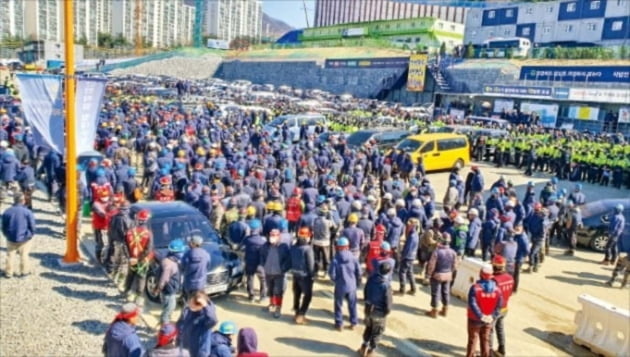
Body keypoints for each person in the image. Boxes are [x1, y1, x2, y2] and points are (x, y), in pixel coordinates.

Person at [466, 265, 503, 357]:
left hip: (474, 319)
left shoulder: (475, 288)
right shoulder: (497, 290)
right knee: (485, 340)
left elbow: (472, 303)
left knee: (472, 340)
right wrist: (492, 316)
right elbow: (499, 306)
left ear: (481, 275)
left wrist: (480, 316)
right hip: (489, 320)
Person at [359, 262, 393, 357]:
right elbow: (388, 302)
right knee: (377, 332)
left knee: (368, 328)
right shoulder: (386, 285)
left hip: (368, 308)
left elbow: (365, 291)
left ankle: (363, 347)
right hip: (379, 312)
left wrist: (367, 302)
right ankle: (370, 351)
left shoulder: (371, 278)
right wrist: (386, 312)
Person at [329, 237, 362, 331]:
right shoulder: (353, 258)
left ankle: (339, 324)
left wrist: (336, 281)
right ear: (347, 247)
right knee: (352, 305)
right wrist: (357, 283)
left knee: (338, 305)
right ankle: (353, 323)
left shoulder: (335, 259)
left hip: (340, 286)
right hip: (351, 286)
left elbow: (332, 274)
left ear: (338, 247)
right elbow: (359, 272)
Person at [2, 193, 36, 278]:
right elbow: (32, 225)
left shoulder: (7, 211)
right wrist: (31, 234)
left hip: (11, 237)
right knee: (24, 255)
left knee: (10, 255)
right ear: (23, 201)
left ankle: (8, 272)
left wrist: (6, 234)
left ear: (14, 200)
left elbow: (3, 226)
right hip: (24, 238)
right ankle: (24, 272)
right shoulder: (27, 212)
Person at [124, 209, 154, 305]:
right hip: (142, 260)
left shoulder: (129, 232)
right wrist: (139, 259)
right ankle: (139, 297)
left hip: (132, 259)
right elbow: (148, 249)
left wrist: (130, 257)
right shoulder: (148, 234)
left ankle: (128, 292)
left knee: (130, 276)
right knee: (141, 277)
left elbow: (125, 246)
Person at [154, 239, 186, 324]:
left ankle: (165, 321)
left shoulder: (171, 260)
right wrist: (158, 289)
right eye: (181, 251)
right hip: (168, 291)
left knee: (169, 307)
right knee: (169, 308)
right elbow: (164, 279)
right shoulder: (169, 264)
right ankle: (164, 326)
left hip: (171, 289)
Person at [425, 232, 457, 318]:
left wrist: (428, 275)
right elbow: (454, 266)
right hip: (448, 275)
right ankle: (445, 309)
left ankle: (434, 311)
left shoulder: (437, 252)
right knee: (446, 292)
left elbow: (431, 265)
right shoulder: (453, 252)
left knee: (436, 293)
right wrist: (451, 274)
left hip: (437, 275)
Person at [177, 291, 218, 357]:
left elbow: (213, 320)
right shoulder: (187, 311)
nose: (190, 305)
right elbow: (180, 325)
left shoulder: (205, 318)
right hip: (185, 348)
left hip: (199, 352)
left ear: (200, 305)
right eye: (189, 302)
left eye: (192, 304)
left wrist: (206, 306)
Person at [260, 229, 290, 318]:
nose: (272, 237)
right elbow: (261, 256)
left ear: (278, 236)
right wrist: (263, 266)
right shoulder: (265, 246)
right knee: (270, 290)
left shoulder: (283, 247)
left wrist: (283, 269)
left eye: (274, 235)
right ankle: (271, 304)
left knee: (278, 292)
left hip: (279, 273)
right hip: (268, 272)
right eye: (271, 235)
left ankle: (278, 308)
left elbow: (288, 259)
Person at [290, 227, 315, 324]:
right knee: (308, 296)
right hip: (305, 276)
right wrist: (312, 275)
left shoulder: (294, 247)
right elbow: (311, 264)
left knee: (297, 293)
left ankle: (296, 311)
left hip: (295, 274)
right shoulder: (308, 249)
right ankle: (301, 315)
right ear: (307, 237)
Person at [491, 255, 514, 357]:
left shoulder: (494, 280)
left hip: (495, 309)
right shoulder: (510, 278)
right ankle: (502, 349)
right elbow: (510, 293)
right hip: (505, 308)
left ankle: (489, 351)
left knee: (489, 331)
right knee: (500, 328)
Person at [107, 200, 134, 284]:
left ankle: (114, 277)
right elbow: (127, 234)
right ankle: (120, 282)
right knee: (124, 264)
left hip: (115, 243)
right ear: (127, 209)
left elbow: (110, 231)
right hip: (123, 244)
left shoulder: (114, 217)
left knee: (116, 261)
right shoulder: (126, 219)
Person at [241, 219, 267, 302]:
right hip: (260, 264)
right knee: (263, 279)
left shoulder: (247, 239)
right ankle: (262, 296)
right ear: (259, 228)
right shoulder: (263, 240)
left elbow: (241, 248)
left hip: (249, 262)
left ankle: (251, 296)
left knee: (250, 278)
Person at [397, 218, 419, 295]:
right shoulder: (415, 234)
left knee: (402, 272)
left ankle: (402, 290)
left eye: (409, 225)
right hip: (412, 256)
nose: (407, 226)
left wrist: (402, 256)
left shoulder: (412, 236)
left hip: (407, 256)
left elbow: (408, 249)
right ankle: (413, 289)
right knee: (410, 272)